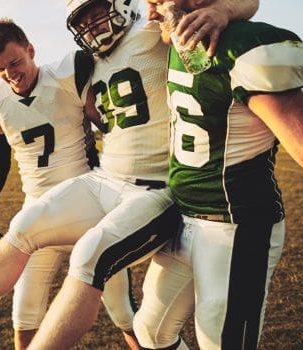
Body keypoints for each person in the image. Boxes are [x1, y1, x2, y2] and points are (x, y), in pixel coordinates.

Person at [0, 1, 259, 349]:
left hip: (154, 188)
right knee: (23, 226)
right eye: (82, 21)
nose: (92, 26)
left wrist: (224, 11)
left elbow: (248, 3)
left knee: (90, 259)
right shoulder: (87, 60)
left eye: (97, 13)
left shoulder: (151, 27)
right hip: (105, 179)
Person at [0, 18, 139, 350]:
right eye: (0, 69)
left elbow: (109, 124)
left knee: (125, 314)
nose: (11, 73)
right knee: (24, 316)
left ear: (31, 50)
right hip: (37, 212)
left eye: (15, 62)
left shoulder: (69, 74)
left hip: (89, 209)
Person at [132, 0, 303, 349]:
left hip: (237, 227)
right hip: (183, 219)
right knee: (150, 331)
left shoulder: (243, 46)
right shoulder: (176, 44)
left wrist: (226, 11)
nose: (150, 14)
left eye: (157, 3)